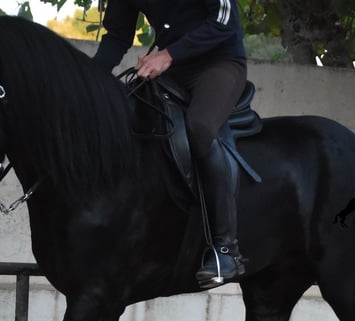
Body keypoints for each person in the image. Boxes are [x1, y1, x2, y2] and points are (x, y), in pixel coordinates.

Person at [93, 0, 248, 288]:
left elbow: (225, 22)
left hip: (219, 63)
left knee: (200, 127)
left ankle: (226, 250)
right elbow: (116, 37)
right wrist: (86, 80)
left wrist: (169, 54)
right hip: (171, 70)